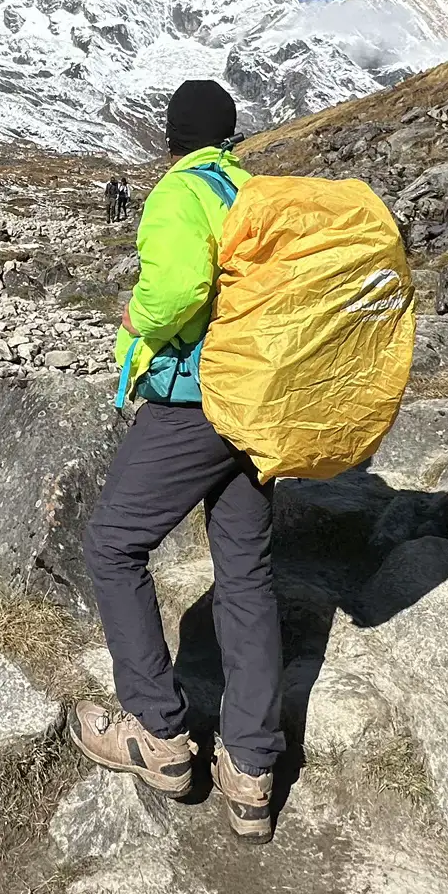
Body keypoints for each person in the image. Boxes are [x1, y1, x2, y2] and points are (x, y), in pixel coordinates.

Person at [73, 79, 283, 842]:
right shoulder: (253, 189)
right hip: (259, 403)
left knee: (111, 545)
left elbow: (179, 287)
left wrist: (138, 313)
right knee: (247, 573)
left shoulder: (177, 192)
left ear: (172, 135)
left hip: (196, 402)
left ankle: (159, 736)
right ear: (228, 132)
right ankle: (251, 772)